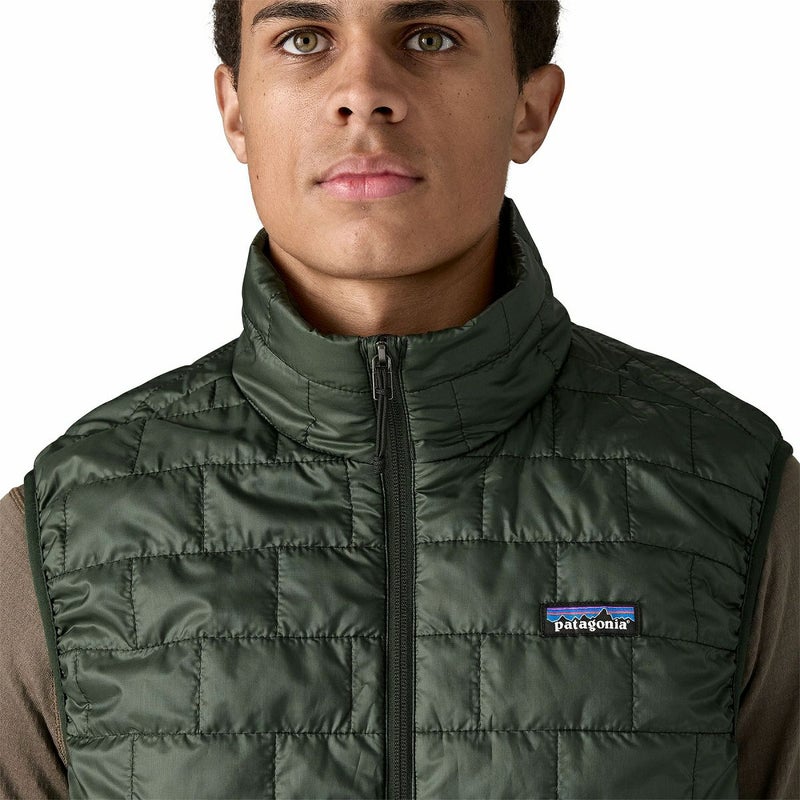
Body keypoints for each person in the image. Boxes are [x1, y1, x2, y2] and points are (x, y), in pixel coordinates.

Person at [1, 1, 797, 798]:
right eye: (303, 39)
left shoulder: (738, 498)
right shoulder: (64, 530)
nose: (363, 92)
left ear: (530, 107)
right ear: (236, 110)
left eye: (430, 37)